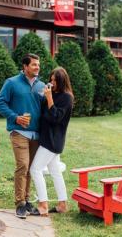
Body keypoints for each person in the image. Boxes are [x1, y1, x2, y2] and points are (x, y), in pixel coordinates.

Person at [0, 53, 45, 219]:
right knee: (22, 165)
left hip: (36, 134)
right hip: (19, 132)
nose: (37, 67)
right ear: (25, 67)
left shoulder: (41, 86)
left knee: (31, 168)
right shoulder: (12, 83)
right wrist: (15, 117)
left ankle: (27, 199)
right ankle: (20, 204)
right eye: (33, 65)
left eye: (38, 65)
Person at [30, 67, 74, 216]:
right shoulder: (52, 94)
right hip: (47, 138)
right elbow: (44, 113)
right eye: (51, 79)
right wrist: (44, 96)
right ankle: (62, 205)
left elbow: (55, 117)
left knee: (35, 169)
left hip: (52, 141)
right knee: (55, 172)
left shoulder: (67, 98)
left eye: (55, 80)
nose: (52, 82)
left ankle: (43, 205)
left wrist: (49, 98)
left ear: (62, 81)